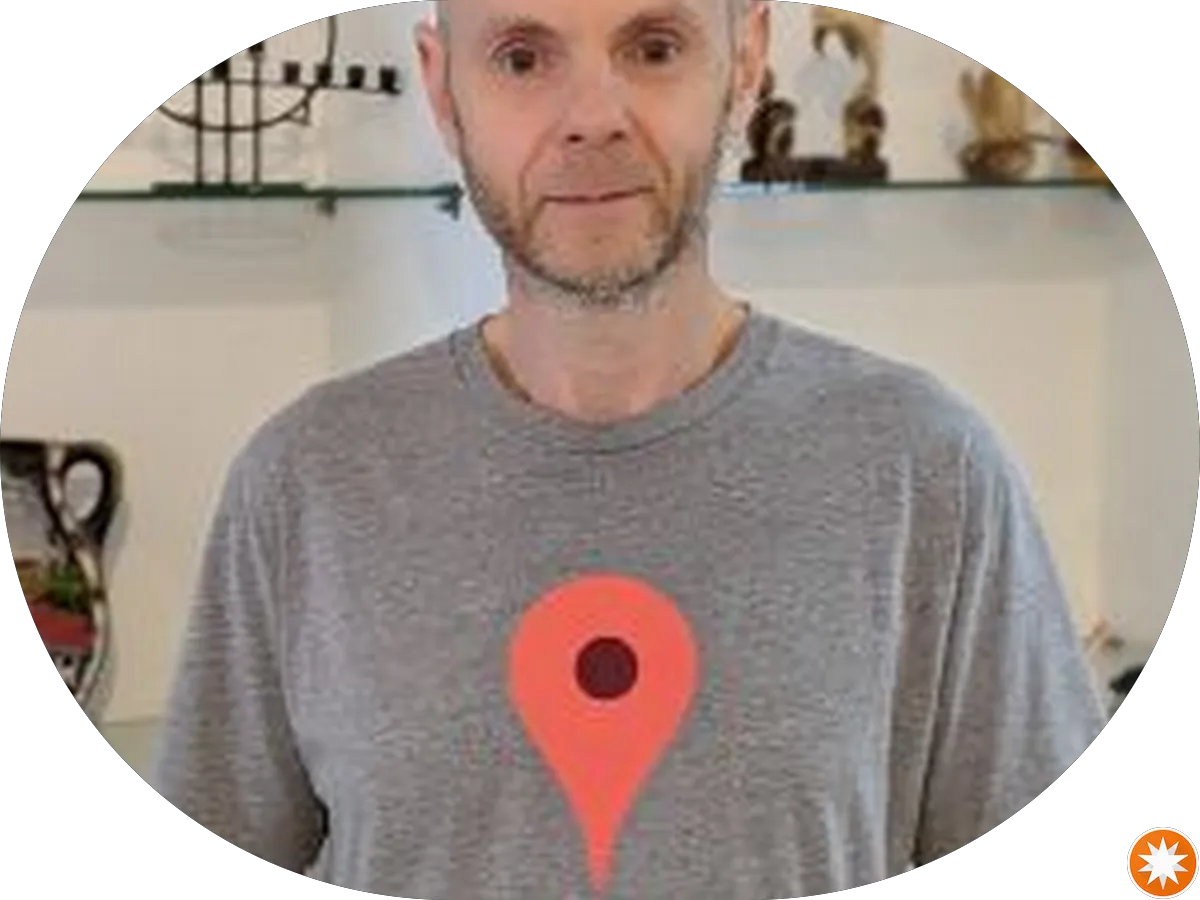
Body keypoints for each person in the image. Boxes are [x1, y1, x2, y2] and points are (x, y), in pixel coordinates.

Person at [150, 2, 1107, 898]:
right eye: (521, 59)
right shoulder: (307, 481)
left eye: (653, 49)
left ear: (745, 62)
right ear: (443, 92)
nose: (593, 119)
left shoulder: (928, 470)